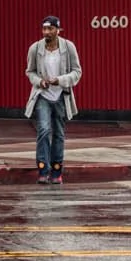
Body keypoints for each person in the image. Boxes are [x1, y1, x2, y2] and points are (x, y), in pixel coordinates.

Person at [25, 15, 82, 184]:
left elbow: (77, 72)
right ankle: (43, 169)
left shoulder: (68, 47)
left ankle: (56, 171)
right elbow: (30, 72)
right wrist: (39, 81)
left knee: (59, 133)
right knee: (43, 130)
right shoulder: (35, 48)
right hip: (43, 95)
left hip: (61, 96)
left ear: (58, 30)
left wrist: (60, 80)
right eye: (44, 29)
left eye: (50, 29)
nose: (46, 32)